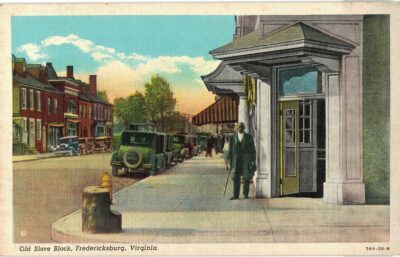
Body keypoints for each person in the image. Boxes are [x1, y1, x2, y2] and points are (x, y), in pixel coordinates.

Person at [228, 122, 256, 200]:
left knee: (246, 177)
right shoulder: (233, 137)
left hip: (246, 160)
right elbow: (230, 150)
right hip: (236, 160)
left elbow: (253, 150)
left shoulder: (249, 137)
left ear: (244, 128)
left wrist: (253, 160)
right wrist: (229, 161)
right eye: (238, 127)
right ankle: (235, 195)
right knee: (236, 177)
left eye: (241, 127)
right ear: (236, 128)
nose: (240, 129)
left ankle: (245, 194)